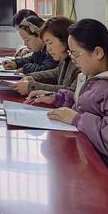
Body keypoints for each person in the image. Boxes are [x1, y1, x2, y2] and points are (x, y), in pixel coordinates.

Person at [26, 19, 108, 163]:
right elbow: (83, 104)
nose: (74, 60)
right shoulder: (91, 77)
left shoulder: (104, 86)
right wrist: (59, 99)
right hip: (85, 152)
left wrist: (77, 119)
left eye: (76, 54)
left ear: (98, 52)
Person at [12, 16, 79, 96]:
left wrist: (32, 86)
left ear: (65, 39)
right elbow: (55, 73)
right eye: (46, 44)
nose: (48, 49)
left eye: (50, 43)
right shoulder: (65, 60)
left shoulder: (79, 63)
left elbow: (71, 92)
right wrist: (32, 77)